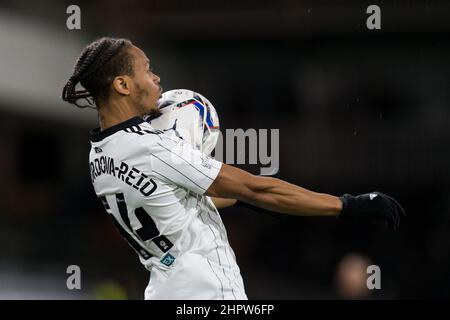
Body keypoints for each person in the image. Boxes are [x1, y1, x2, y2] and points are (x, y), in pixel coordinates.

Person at [62, 37, 405, 300]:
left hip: (165, 289)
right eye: (147, 69)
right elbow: (256, 187)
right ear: (122, 85)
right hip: (209, 292)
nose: (156, 77)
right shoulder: (153, 146)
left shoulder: (99, 153)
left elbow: (177, 206)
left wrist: (243, 200)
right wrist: (346, 205)